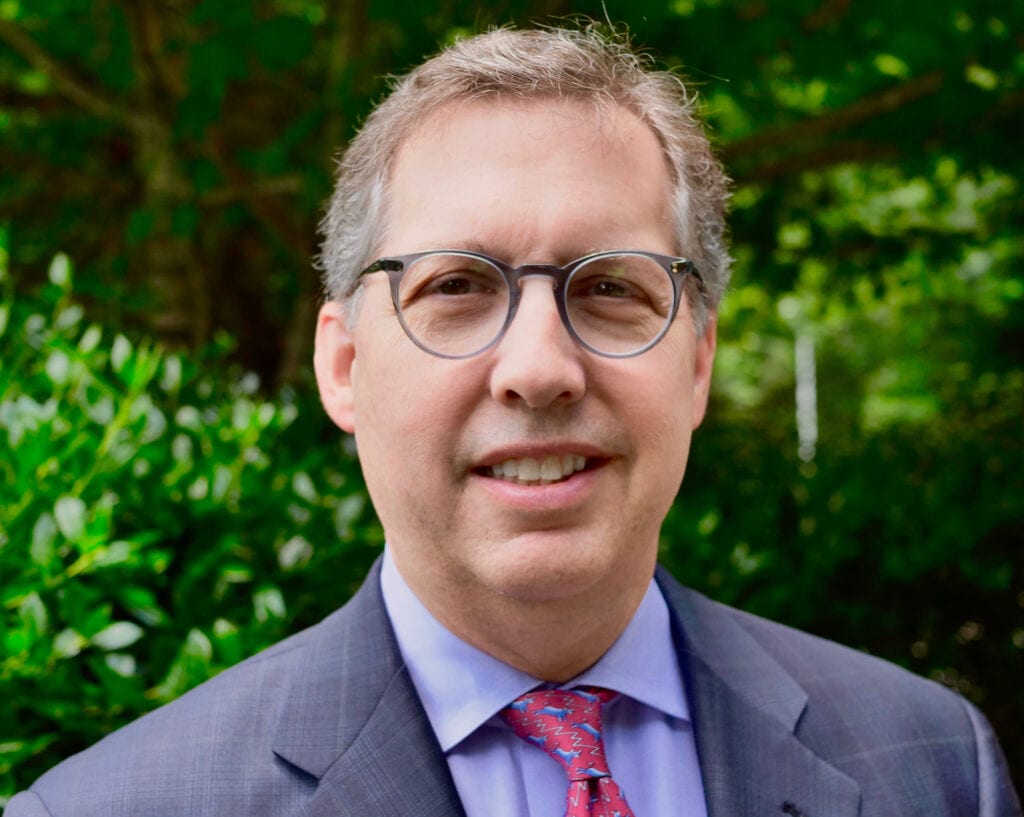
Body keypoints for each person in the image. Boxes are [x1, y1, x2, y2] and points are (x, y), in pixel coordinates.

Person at [8, 24, 1020, 817]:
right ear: (346, 364)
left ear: (699, 361)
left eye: (611, 288)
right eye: (457, 285)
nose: (538, 368)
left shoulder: (934, 767)